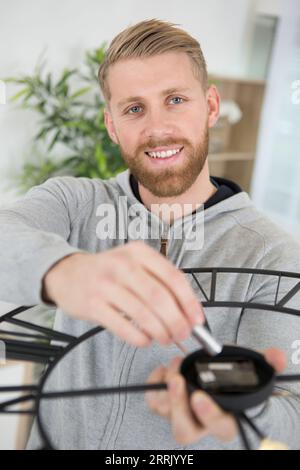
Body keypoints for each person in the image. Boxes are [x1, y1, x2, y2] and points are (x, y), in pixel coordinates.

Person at [0, 18, 299, 450]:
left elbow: (293, 412)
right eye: (134, 108)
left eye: (175, 100)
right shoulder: (76, 202)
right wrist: (67, 271)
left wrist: (238, 412)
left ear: (211, 106)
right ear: (111, 124)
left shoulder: (272, 255)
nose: (157, 129)